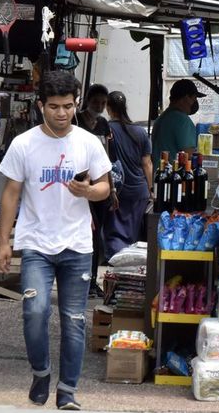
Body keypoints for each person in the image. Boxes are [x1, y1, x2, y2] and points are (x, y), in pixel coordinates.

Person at [0, 71, 111, 410]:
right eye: (54, 107)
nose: (62, 114)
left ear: (76, 103)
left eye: (68, 106)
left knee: (74, 320)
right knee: (35, 310)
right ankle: (41, 371)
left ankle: (67, 391)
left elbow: (105, 187)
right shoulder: (24, 144)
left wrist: (90, 191)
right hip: (36, 244)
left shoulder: (89, 142)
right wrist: (4, 241)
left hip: (77, 245)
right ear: (40, 106)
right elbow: (11, 193)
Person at [75, 84, 115, 298]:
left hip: (100, 188)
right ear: (87, 101)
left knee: (97, 234)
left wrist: (113, 190)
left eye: (103, 103)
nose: (99, 106)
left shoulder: (103, 124)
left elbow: (106, 159)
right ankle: (81, 280)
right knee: (86, 233)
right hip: (80, 187)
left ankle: (91, 280)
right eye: (95, 102)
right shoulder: (76, 121)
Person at [103, 91, 153, 259]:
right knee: (133, 232)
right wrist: (150, 189)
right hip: (139, 191)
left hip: (116, 189)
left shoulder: (107, 131)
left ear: (108, 108)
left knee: (115, 231)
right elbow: (147, 164)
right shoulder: (140, 132)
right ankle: (129, 266)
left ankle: (115, 264)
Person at [151, 79, 205, 169]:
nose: (195, 102)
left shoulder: (162, 118)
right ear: (186, 98)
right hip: (174, 178)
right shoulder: (183, 120)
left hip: (159, 176)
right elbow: (188, 156)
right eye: (194, 98)